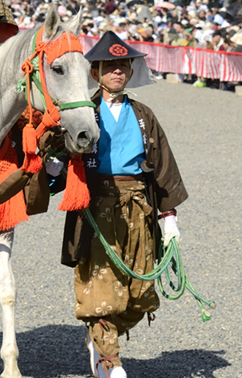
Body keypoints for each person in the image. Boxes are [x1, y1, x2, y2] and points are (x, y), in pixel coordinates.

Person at [60, 31, 188, 378]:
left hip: (138, 207)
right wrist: (54, 163)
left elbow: (162, 166)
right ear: (95, 72)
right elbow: (58, 159)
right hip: (94, 207)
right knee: (101, 289)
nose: (117, 71)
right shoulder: (82, 113)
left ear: (130, 73)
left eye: (123, 66)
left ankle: (101, 339)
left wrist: (169, 217)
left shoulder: (144, 115)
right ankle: (108, 361)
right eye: (110, 66)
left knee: (141, 292)